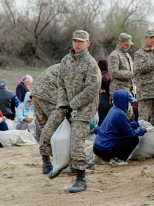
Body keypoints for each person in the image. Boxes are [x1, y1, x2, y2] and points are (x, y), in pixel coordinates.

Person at [48, 30, 101, 194]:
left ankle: (81, 179)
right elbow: (61, 83)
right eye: (75, 41)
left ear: (88, 43)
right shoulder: (66, 60)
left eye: (81, 41)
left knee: (77, 141)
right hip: (68, 106)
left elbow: (92, 89)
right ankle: (61, 164)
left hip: (84, 109)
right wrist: (64, 104)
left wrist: (74, 104)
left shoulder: (91, 64)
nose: (77, 44)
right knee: (49, 133)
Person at [93, 90, 154, 165]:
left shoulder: (113, 110)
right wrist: (144, 130)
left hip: (97, 148)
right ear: (123, 101)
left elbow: (124, 126)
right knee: (133, 139)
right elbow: (129, 133)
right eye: (129, 101)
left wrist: (137, 123)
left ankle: (104, 158)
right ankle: (118, 159)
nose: (130, 104)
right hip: (105, 149)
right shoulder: (120, 114)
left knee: (123, 138)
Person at [134, 30, 154, 135]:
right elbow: (138, 68)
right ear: (145, 38)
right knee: (143, 120)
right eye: (150, 37)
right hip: (145, 92)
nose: (153, 40)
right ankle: (140, 141)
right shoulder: (139, 53)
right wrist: (153, 61)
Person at [97, 59, 112, 127]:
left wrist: (101, 88)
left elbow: (104, 79)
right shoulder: (106, 73)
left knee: (101, 119)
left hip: (101, 98)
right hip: (105, 98)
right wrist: (103, 88)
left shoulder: (101, 73)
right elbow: (105, 79)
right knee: (104, 119)